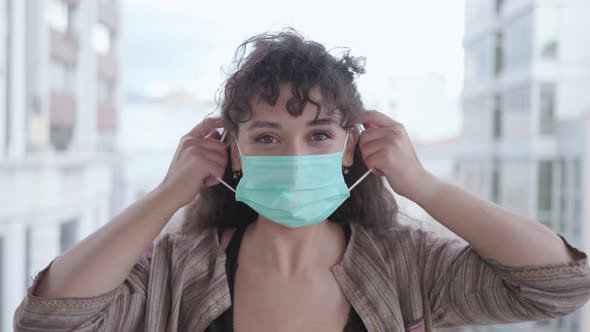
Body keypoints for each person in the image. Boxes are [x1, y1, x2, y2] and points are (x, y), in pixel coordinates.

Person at [14, 28, 590, 332]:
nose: (292, 156)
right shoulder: (175, 270)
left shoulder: (409, 265)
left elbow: (560, 286)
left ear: (350, 150)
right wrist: (167, 194)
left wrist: (425, 187)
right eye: (266, 138)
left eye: (317, 135)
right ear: (231, 154)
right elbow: (47, 321)